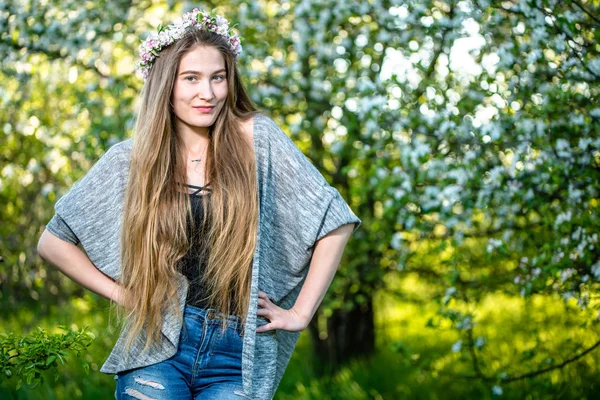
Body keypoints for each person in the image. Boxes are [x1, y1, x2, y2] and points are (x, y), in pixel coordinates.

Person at [37, 8, 361, 400]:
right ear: (165, 84)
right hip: (157, 343)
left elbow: (334, 219)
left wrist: (300, 313)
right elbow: (53, 243)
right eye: (190, 78)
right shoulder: (132, 160)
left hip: (236, 352)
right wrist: (128, 296)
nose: (207, 93)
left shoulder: (258, 141)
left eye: (218, 78)